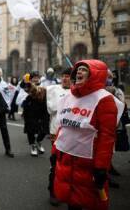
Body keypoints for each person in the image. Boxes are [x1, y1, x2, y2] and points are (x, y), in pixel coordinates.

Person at [52, 60, 124, 210]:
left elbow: (107, 137)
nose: (78, 72)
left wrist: (101, 167)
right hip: (65, 159)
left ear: (95, 75)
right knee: (71, 201)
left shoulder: (104, 99)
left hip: (88, 162)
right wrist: (54, 151)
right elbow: (63, 127)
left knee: (88, 201)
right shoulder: (68, 97)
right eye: (77, 70)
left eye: (84, 69)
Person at [46, 67, 72, 206]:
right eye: (63, 76)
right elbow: (52, 108)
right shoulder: (53, 90)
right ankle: (53, 191)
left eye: (68, 76)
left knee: (70, 165)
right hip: (56, 132)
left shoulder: (79, 91)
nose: (65, 78)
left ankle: (67, 190)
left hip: (73, 134)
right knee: (56, 163)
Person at [22, 71, 50, 157]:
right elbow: (21, 98)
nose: (36, 79)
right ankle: (33, 146)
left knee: (44, 129)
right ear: (31, 79)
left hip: (43, 110)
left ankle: (38, 141)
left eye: (37, 77)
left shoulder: (44, 86)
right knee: (31, 129)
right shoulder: (27, 86)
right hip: (30, 110)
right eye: (34, 77)